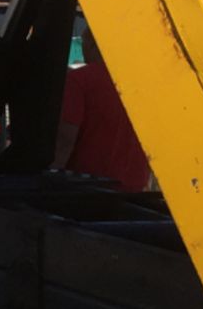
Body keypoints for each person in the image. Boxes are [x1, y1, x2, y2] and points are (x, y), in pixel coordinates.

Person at [55, 27, 151, 192]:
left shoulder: (79, 81)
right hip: (134, 191)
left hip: (89, 190)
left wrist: (51, 177)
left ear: (93, 45)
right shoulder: (142, 85)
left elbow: (65, 139)